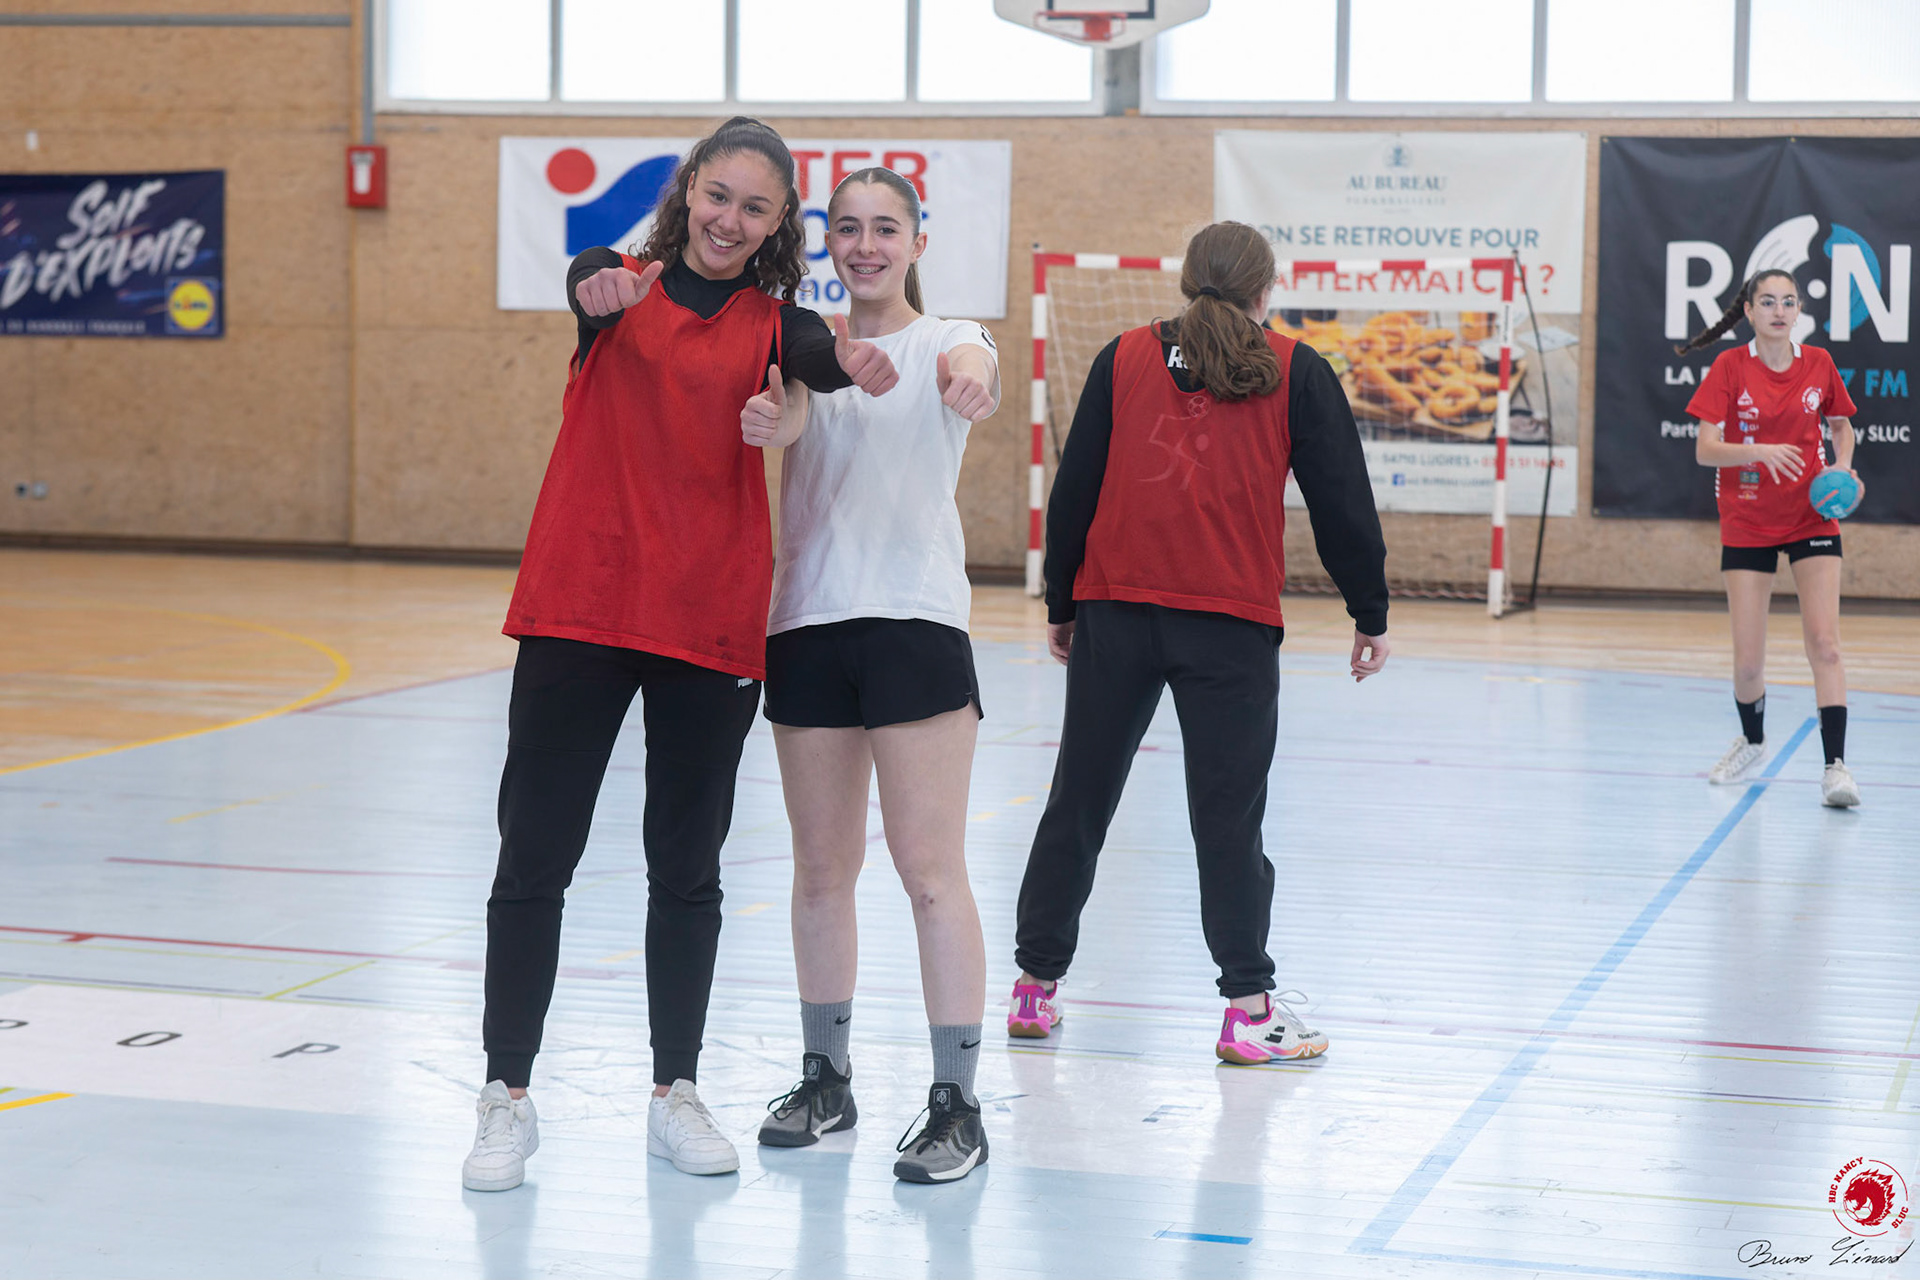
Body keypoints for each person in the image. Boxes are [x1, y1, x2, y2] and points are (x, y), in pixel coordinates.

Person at [462, 117, 902, 1193]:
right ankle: (506, 1092)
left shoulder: (776, 326)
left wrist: (838, 363)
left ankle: (675, 1091)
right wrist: (594, 288)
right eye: (719, 197)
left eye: (756, 208)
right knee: (536, 855)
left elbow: (816, 364)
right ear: (687, 192)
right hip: (581, 606)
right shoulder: (619, 285)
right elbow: (584, 276)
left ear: (774, 227)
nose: (730, 221)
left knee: (687, 866)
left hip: (707, 624)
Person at [1005, 220, 1390, 1067]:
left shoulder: (1123, 356)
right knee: (1227, 819)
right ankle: (1247, 1010)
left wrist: (1062, 600)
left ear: (1187, 280)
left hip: (1115, 608)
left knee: (1080, 798)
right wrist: (1371, 610)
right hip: (1230, 624)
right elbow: (1343, 505)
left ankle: (1035, 988)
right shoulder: (1297, 368)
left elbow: (1074, 490)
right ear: (1267, 289)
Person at [750, 167, 1000, 1184]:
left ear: (916, 238)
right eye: (847, 228)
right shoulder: (807, 345)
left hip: (915, 627)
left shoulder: (949, 338)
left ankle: (956, 1101)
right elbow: (797, 410)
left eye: (884, 227)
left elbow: (974, 362)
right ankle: (827, 1074)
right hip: (806, 621)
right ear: (828, 240)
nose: (864, 244)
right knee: (821, 870)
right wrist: (776, 423)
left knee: (930, 871)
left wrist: (973, 381)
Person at [1679, 268, 1861, 807]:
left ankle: (1836, 768)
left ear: (1798, 310)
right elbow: (1704, 448)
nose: (1778, 310)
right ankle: (1752, 741)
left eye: (1788, 301)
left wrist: (1844, 467)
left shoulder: (1820, 364)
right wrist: (1758, 451)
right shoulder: (1730, 366)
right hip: (1748, 517)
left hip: (1812, 515)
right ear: (1750, 311)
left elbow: (1843, 425)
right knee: (1749, 661)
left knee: (1824, 643)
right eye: (1767, 302)